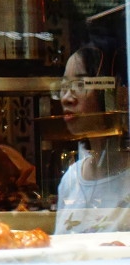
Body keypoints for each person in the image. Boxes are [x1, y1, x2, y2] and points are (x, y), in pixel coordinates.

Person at [54, 44, 130, 234]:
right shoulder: (71, 179)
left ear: (117, 94)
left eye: (80, 85)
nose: (66, 99)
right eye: (64, 86)